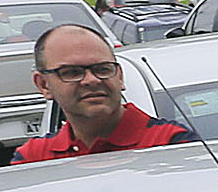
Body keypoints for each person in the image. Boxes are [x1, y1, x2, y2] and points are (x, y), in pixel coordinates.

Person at [12, 23, 194, 162]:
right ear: (44, 85)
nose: (91, 80)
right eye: (72, 72)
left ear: (119, 76)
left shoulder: (173, 144)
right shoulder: (33, 159)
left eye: (102, 69)